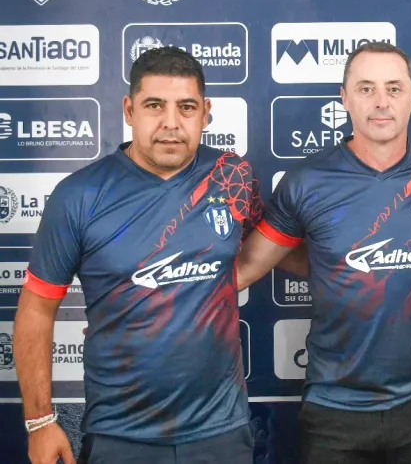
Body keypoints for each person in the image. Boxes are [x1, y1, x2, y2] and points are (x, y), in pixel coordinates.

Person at [12, 46, 306, 464]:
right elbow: (36, 310)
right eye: (155, 105)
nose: (171, 123)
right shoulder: (78, 195)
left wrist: (347, 264)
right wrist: (40, 421)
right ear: (129, 110)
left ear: (206, 113)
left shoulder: (231, 175)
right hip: (120, 435)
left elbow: (268, 247)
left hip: (221, 433)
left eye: (186, 107)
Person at [234, 41, 411, 464]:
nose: (381, 101)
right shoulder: (307, 181)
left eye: (394, 88)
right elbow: (247, 267)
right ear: (345, 99)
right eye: (366, 88)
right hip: (334, 409)